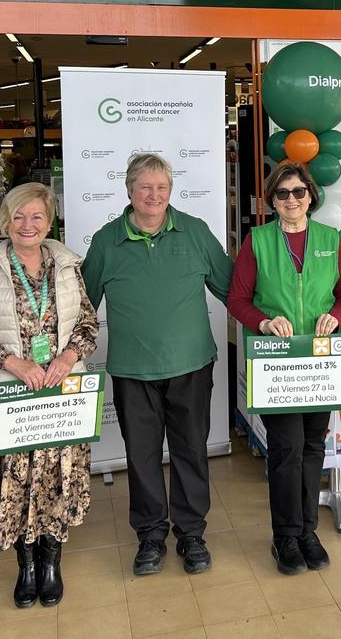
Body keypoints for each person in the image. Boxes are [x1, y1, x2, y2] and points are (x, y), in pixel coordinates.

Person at [81, 153, 233, 576]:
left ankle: (190, 534)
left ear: (171, 190)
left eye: (161, 187)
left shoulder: (196, 232)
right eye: (145, 187)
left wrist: (272, 318)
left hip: (190, 365)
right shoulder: (106, 241)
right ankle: (150, 535)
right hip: (132, 371)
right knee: (142, 456)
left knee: (190, 452)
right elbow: (82, 307)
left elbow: (231, 288)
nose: (154, 195)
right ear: (129, 190)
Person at [0, 182, 98, 608]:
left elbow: (88, 324)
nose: (27, 224)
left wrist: (69, 356)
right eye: (18, 216)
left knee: (57, 479)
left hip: (60, 394)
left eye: (36, 216)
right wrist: (13, 364)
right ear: (6, 222)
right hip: (10, 397)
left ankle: (51, 563)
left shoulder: (68, 264)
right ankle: (27, 567)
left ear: (49, 220)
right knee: (15, 482)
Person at [228, 162, 341, 575]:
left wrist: (335, 315)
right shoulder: (258, 240)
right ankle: (285, 535)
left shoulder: (329, 239)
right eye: (283, 194)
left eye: (299, 192)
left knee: (314, 446)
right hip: (278, 365)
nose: (292, 200)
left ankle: (308, 532)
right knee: (287, 450)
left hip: (319, 362)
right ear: (272, 200)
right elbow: (238, 300)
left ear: (311, 196)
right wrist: (263, 322)